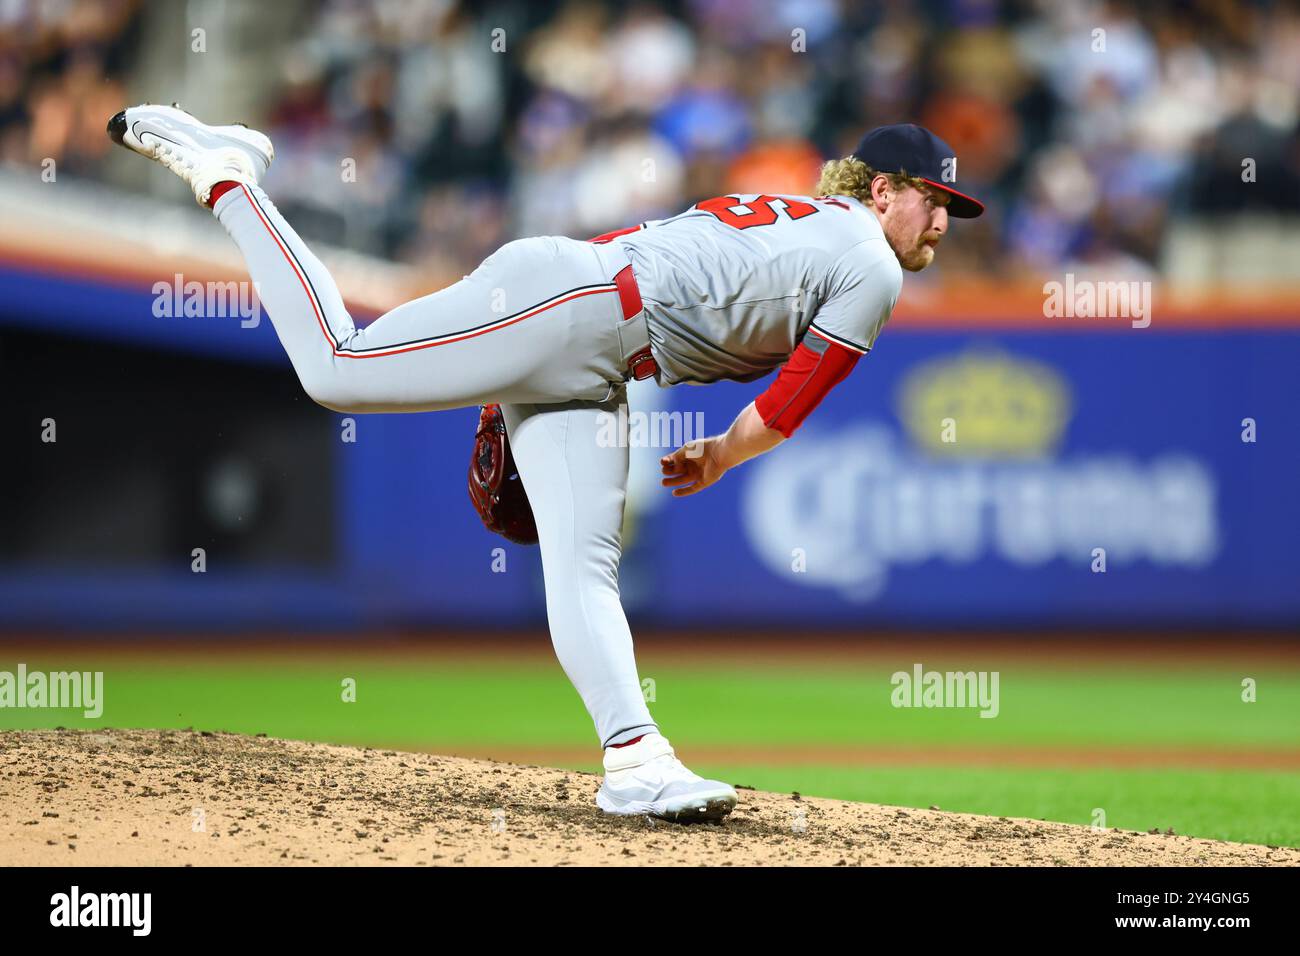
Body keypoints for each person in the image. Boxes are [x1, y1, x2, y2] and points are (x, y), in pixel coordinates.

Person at [108, 106, 983, 822]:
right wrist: (717, 455)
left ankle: (637, 758)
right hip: (580, 311)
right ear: (882, 190)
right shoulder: (871, 259)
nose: (945, 221)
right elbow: (787, 407)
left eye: (953, 207)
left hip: (591, 338)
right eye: (935, 199)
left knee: (585, 565)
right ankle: (228, 177)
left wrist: (530, 367)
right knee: (337, 367)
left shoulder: (813, 222)